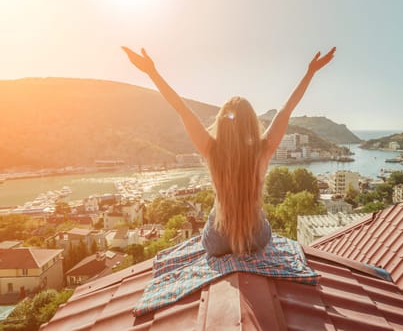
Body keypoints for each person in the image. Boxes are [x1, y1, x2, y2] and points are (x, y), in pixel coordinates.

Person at [122, 46, 336, 255]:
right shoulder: (263, 149)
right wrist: (309, 73)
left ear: (221, 123)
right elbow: (286, 110)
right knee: (264, 223)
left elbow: (181, 108)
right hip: (257, 237)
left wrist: (152, 72)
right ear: (252, 123)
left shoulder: (211, 148)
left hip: (218, 239)